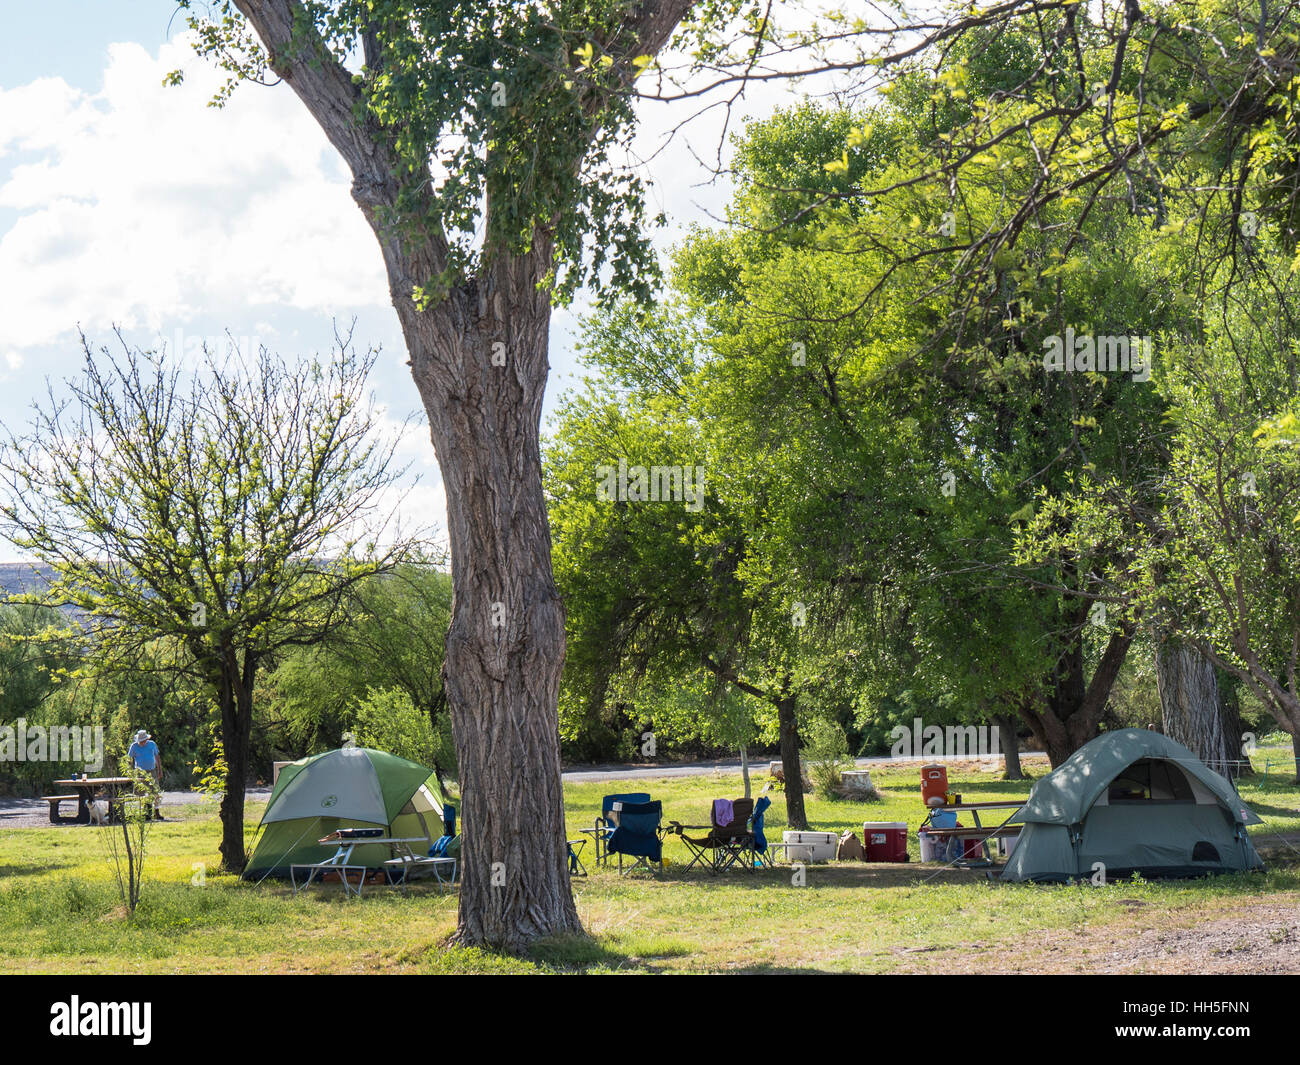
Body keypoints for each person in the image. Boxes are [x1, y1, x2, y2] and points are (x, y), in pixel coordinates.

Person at [127, 729, 163, 820]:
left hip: (151, 770)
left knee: (155, 791)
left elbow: (157, 757)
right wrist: (130, 771)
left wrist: (159, 770)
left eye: (143, 741)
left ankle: (156, 811)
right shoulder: (134, 746)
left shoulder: (152, 744)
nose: (142, 742)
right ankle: (144, 812)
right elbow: (129, 759)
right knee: (140, 793)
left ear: (146, 739)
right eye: (140, 741)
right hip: (139, 772)